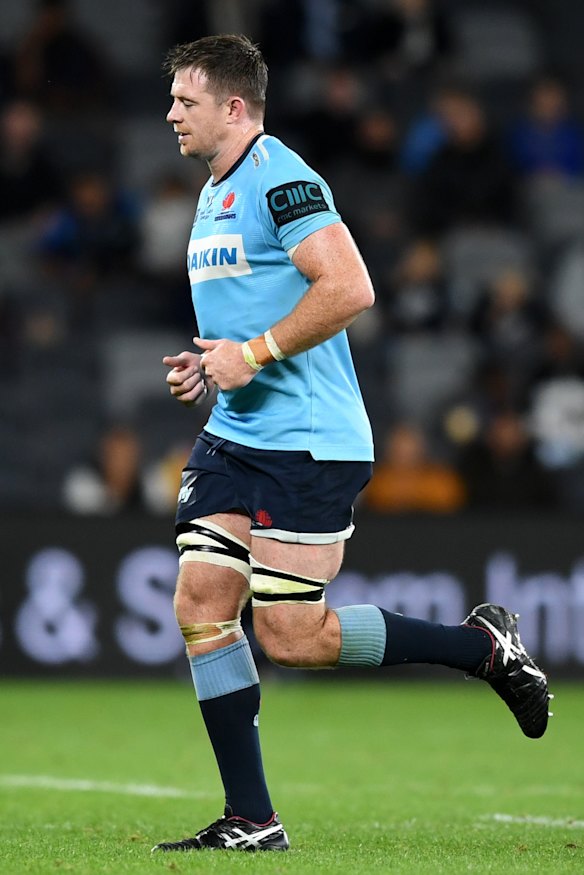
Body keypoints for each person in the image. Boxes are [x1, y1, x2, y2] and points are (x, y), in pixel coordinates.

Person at [152, 34, 552, 854]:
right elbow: (249, 311)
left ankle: (482, 649)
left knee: (293, 637)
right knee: (201, 601)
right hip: (237, 432)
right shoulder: (214, 189)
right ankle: (252, 817)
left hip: (307, 438)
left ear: (234, 106)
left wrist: (252, 354)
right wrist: (211, 365)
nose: (171, 114)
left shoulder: (282, 178)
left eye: (186, 101)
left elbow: (352, 286)